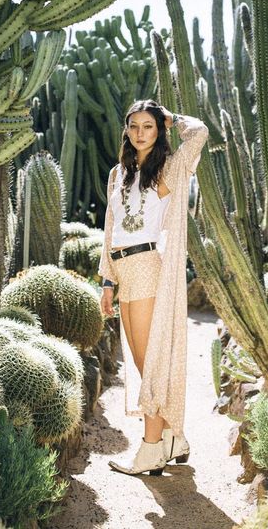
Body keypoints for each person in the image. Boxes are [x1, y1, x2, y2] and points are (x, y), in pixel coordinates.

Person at [98, 99, 209, 476]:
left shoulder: (168, 169)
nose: (140, 133)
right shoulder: (118, 174)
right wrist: (108, 282)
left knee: (152, 362)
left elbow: (199, 134)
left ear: (157, 129)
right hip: (124, 269)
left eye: (149, 126)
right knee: (144, 363)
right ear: (126, 130)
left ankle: (150, 449)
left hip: (147, 266)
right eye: (134, 126)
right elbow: (110, 229)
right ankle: (174, 438)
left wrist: (172, 118)